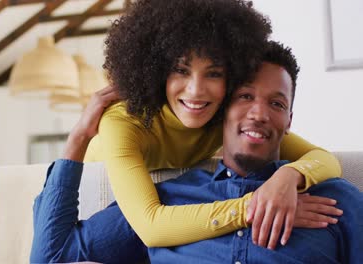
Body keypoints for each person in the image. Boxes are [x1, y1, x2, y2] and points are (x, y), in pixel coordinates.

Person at [30, 41, 363, 264]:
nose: (260, 113)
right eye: (245, 96)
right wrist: (79, 136)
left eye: (276, 103)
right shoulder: (169, 200)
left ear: (289, 119)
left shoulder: (335, 200)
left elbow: (324, 159)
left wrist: (290, 176)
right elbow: (53, 255)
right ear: (222, 109)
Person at [84, 0, 341, 249]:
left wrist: (288, 177)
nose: (196, 91)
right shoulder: (124, 121)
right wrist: (258, 206)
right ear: (157, 70)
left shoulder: (219, 116)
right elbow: (151, 227)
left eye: (214, 74)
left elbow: (323, 159)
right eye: (181, 70)